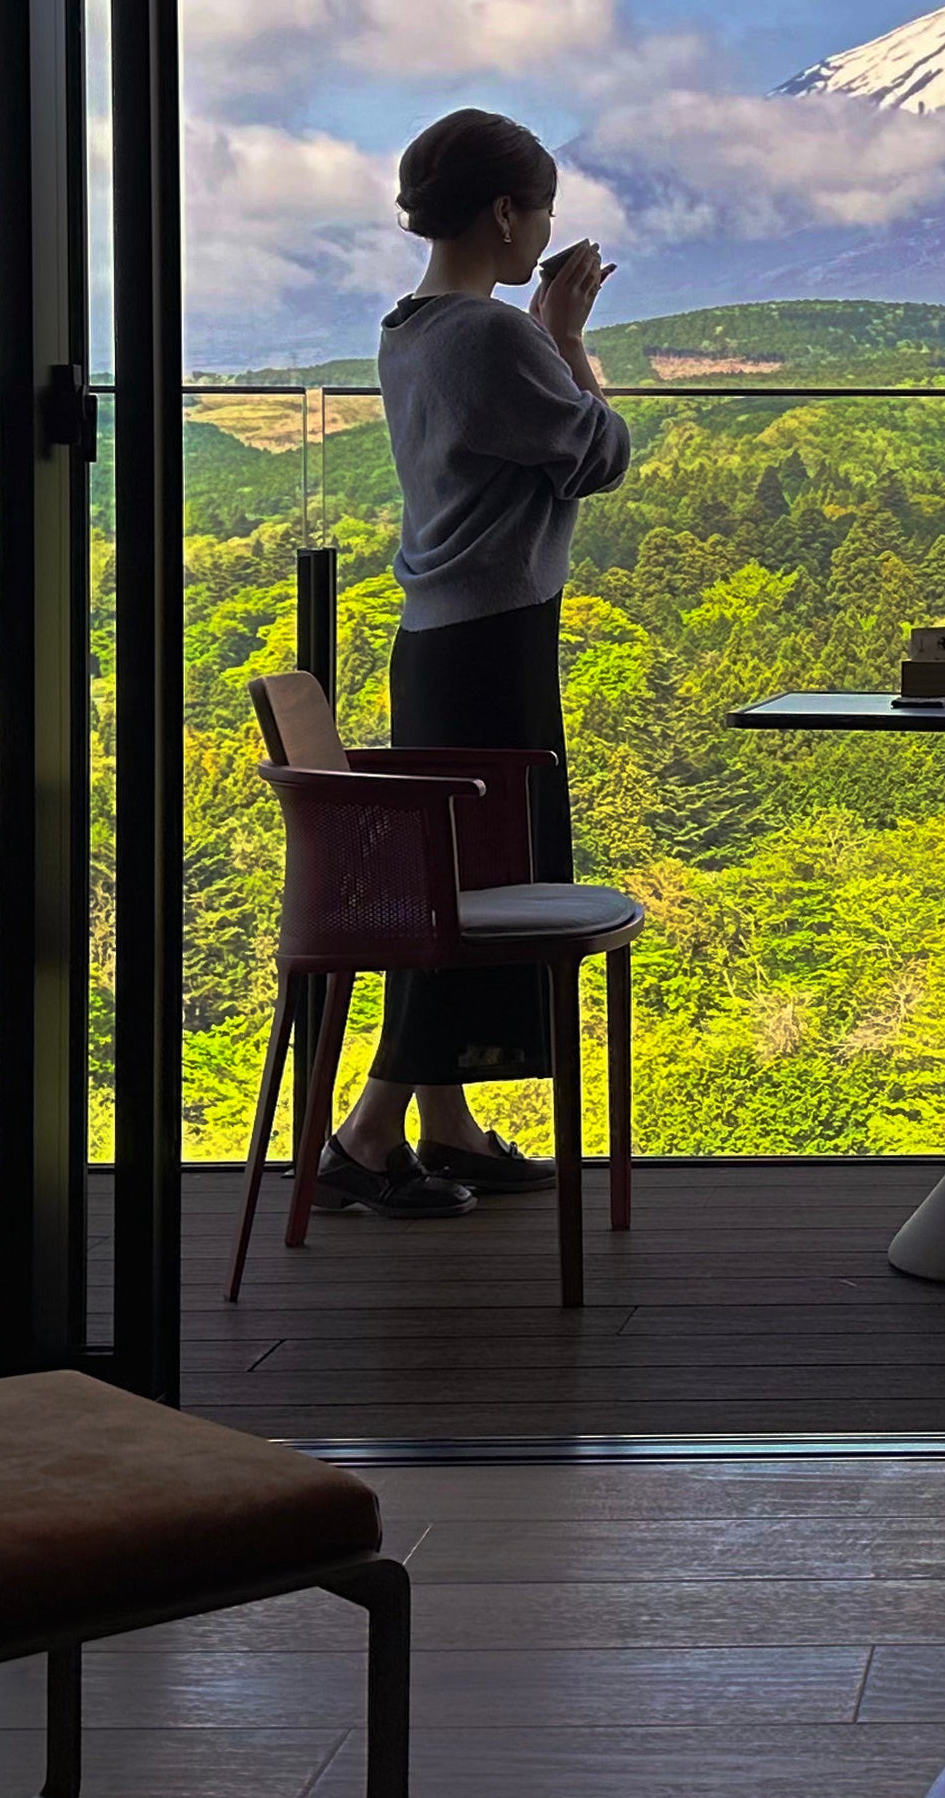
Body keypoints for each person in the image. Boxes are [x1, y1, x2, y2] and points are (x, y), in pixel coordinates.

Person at [313, 108, 629, 1219]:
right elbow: (601, 453)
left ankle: (443, 1127)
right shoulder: (491, 337)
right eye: (538, 213)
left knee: (456, 888)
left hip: (440, 644)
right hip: (494, 644)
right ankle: (362, 1137)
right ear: (506, 214)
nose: (543, 233)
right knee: (474, 897)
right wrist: (565, 332)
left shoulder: (408, 329)